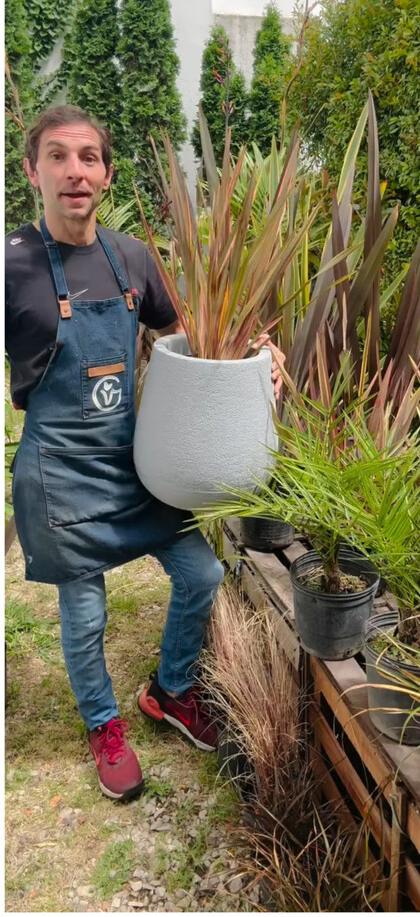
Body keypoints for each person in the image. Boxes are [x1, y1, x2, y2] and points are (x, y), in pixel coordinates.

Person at [5, 105, 225, 802]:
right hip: (60, 470)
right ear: (32, 170)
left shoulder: (130, 257)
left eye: (89, 157)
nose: (75, 171)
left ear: (105, 174)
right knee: (86, 615)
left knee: (203, 572)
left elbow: (190, 333)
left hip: (133, 461)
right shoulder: (12, 264)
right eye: (58, 156)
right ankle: (104, 725)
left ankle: (171, 689)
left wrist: (258, 358)